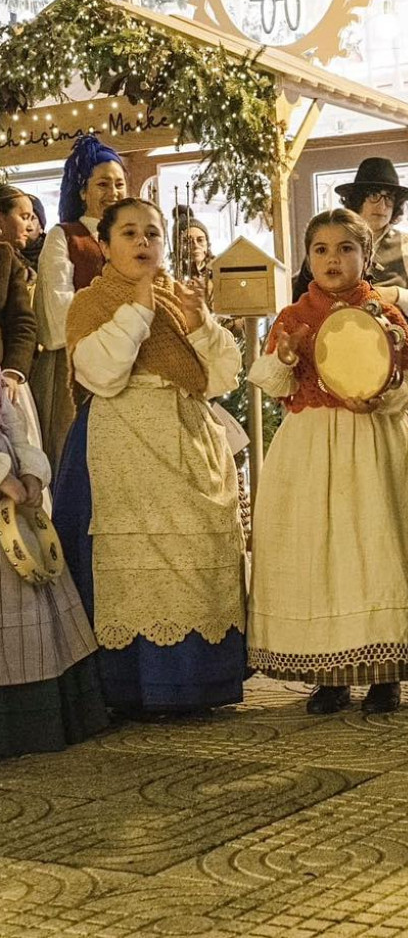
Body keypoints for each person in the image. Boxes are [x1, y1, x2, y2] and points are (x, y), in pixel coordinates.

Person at [53, 198, 246, 717]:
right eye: (130, 233)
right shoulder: (90, 303)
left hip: (188, 432)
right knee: (138, 561)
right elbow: (102, 374)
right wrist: (137, 307)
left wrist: (202, 323)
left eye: (153, 234)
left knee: (192, 557)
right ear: (107, 245)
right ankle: (137, 686)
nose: (143, 243)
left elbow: (224, 376)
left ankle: (202, 683)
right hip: (122, 442)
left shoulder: (179, 299)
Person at [247, 209, 408, 716]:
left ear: (366, 257)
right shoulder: (293, 317)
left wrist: (384, 397)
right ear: (307, 259)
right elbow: (273, 385)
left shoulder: (385, 315)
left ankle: (384, 670)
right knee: (318, 553)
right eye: (321, 250)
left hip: (372, 445)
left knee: (376, 545)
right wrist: (285, 359)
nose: (332, 259)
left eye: (345, 249)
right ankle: (328, 673)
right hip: (311, 446)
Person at [0, 384, 108, 758]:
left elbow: (12, 423)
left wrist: (29, 471)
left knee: (33, 579)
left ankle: (45, 716)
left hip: (13, 493)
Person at [32, 135, 127, 477]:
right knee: (78, 460)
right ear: (83, 191)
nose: (113, 192)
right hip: (73, 366)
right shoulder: (65, 237)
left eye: (119, 184)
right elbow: (57, 313)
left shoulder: (132, 237)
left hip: (129, 364)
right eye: (102, 184)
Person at [335, 158, 408, 343]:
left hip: (395, 353)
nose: (382, 206)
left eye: (389, 197)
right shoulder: (333, 242)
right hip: (341, 349)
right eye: (374, 195)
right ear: (357, 198)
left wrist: (396, 294)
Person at [0, 186, 39, 393]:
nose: (30, 226)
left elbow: (22, 322)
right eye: (24, 217)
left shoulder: (9, 260)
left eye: (31, 218)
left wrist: (13, 369)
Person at [21, 194, 47, 272]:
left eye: (32, 218)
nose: (28, 226)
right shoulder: (6, 254)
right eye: (23, 218)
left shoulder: (56, 251)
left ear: (41, 227)